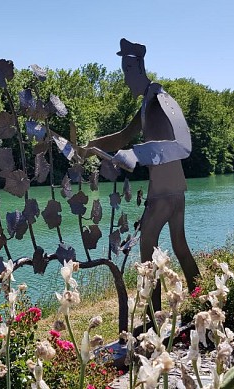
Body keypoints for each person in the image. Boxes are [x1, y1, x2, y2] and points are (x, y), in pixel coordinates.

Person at [82, 38, 201, 308]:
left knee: (147, 253)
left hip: (166, 192)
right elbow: (124, 135)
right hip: (166, 189)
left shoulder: (162, 99)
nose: (125, 80)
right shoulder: (146, 105)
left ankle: (153, 319)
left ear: (139, 69)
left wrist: (137, 154)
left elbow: (184, 145)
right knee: (179, 248)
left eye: (127, 71)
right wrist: (91, 146)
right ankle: (203, 304)